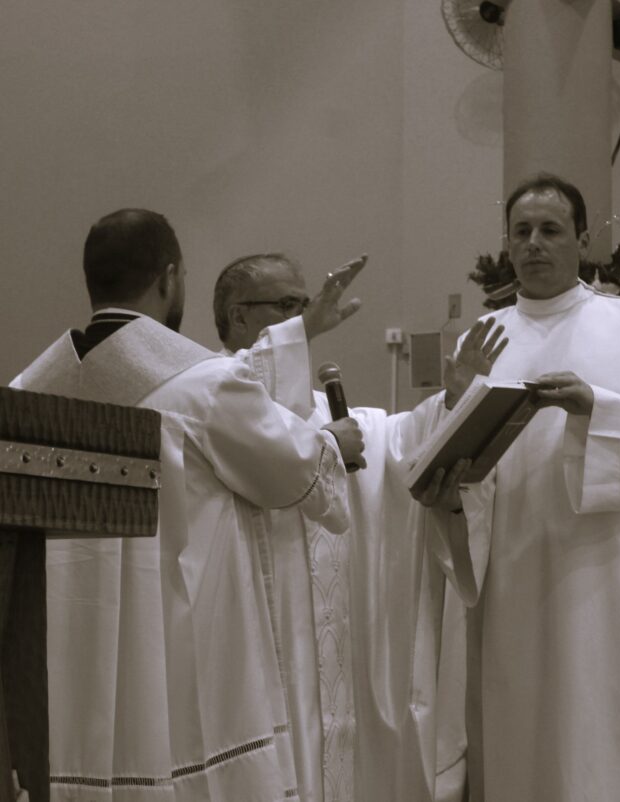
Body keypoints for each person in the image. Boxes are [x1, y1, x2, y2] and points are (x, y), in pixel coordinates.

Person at [10, 209, 364, 800]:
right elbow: (295, 474)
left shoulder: (28, 391)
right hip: (180, 655)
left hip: (66, 673)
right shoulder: (202, 384)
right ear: (170, 278)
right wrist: (332, 442)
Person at [214, 252, 505, 802]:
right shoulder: (209, 400)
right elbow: (249, 407)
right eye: (289, 306)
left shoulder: (329, 414)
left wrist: (453, 400)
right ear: (237, 317)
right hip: (251, 669)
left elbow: (400, 445)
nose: (306, 318)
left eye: (303, 305)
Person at [451, 173, 620, 801]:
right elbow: (447, 467)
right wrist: (456, 400)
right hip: (511, 577)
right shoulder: (481, 340)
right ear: (507, 243)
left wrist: (599, 408)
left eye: (550, 229)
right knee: (520, 737)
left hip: (603, 576)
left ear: (583, 239)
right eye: (521, 231)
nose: (533, 243)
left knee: (599, 737)